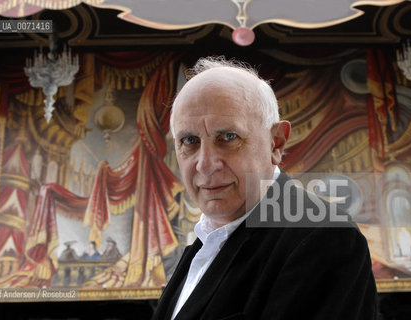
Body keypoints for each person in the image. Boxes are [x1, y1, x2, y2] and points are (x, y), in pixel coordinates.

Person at [152, 57, 378, 319]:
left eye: (228, 137)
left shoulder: (325, 238)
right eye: (189, 140)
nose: (205, 164)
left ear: (276, 143)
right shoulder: (209, 239)